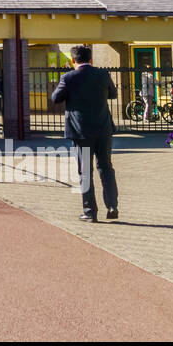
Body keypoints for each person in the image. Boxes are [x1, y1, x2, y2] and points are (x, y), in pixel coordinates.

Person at [51, 45, 119, 223]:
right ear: (91, 59)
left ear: (73, 60)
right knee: (106, 166)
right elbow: (113, 94)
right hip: (103, 129)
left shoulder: (69, 77)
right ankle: (112, 205)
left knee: (85, 172)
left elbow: (55, 98)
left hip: (81, 132)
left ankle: (90, 211)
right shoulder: (103, 75)